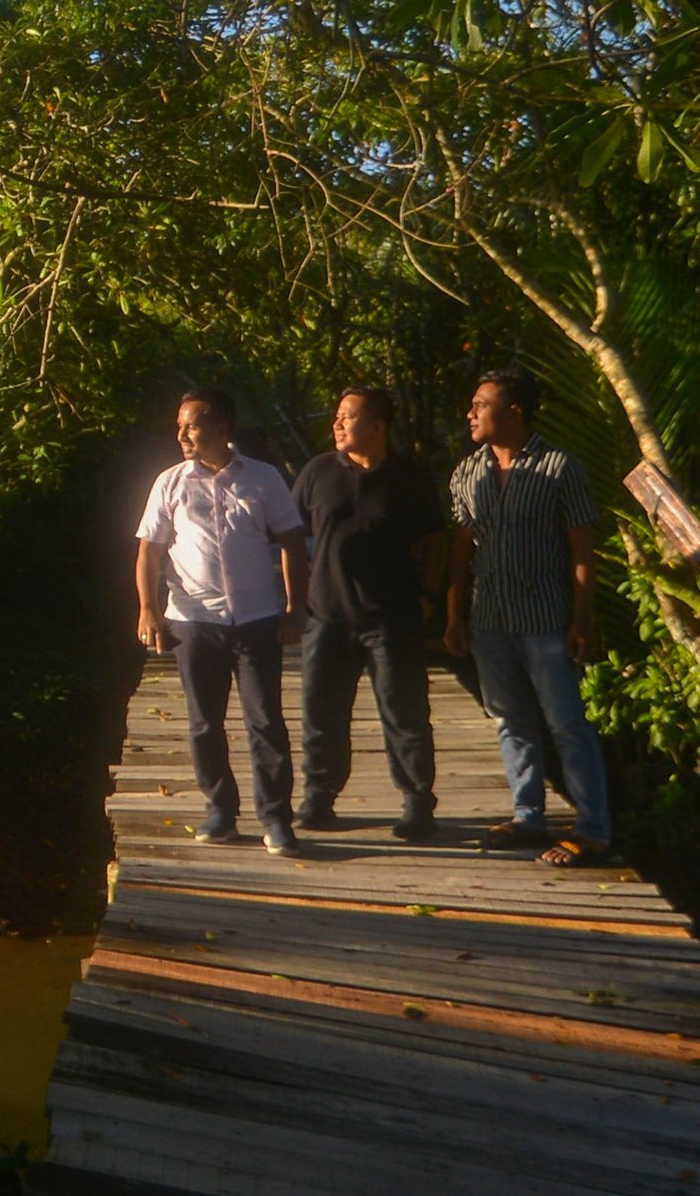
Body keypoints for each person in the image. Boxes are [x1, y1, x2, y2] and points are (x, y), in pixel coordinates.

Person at [444, 367, 616, 865]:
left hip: (546, 620)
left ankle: (593, 828)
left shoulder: (560, 468)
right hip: (490, 620)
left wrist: (582, 620)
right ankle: (528, 816)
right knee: (509, 720)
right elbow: (461, 552)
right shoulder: (467, 472)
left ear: (513, 412)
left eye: (481, 404)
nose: (470, 413)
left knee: (566, 725)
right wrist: (455, 615)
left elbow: (582, 551)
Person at [135, 386, 307, 854]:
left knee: (265, 720)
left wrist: (295, 609)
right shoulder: (169, 482)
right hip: (193, 620)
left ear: (221, 429)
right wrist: (149, 608)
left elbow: (292, 542)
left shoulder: (263, 479)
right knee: (203, 723)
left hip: (255, 619)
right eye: (180, 426)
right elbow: (149, 550)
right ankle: (221, 812)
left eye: (191, 425)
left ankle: (276, 819)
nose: (182, 435)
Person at [292, 385, 439, 841]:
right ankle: (319, 796)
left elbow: (437, 539)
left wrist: (429, 594)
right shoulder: (317, 473)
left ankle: (417, 801)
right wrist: (294, 601)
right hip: (327, 616)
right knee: (322, 709)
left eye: (348, 416)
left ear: (378, 427)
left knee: (404, 711)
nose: (337, 423)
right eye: (336, 416)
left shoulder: (409, 478)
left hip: (391, 618)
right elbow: (288, 536)